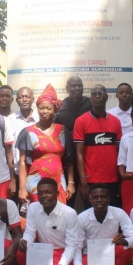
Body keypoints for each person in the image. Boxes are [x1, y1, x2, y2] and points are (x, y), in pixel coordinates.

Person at [15, 178, 81, 265]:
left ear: (57, 194)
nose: (44, 196)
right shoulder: (33, 208)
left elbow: (72, 245)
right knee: (21, 253)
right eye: (40, 193)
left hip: (62, 250)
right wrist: (25, 241)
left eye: (48, 192)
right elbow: (30, 232)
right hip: (42, 250)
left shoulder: (69, 213)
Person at [74, 184, 133, 265]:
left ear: (109, 198)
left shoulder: (119, 213)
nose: (99, 200)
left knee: (126, 249)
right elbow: (77, 246)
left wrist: (125, 240)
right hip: (91, 254)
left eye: (103, 197)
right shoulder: (81, 218)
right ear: (90, 199)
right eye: (95, 197)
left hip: (111, 253)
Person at [17, 84, 74, 204]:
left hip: (58, 180)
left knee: (59, 215)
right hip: (35, 182)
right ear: (37, 108)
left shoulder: (62, 131)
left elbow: (69, 160)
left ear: (55, 110)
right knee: (38, 215)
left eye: (48, 108)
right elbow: (22, 162)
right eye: (41, 108)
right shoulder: (28, 132)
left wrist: (71, 183)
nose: (44, 112)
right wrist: (22, 188)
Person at [74, 84, 123, 208]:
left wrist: (121, 180)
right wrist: (83, 182)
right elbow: (79, 153)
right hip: (91, 180)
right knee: (91, 219)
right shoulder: (81, 121)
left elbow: (120, 153)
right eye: (94, 94)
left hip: (113, 179)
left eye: (100, 94)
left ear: (106, 97)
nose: (97, 96)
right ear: (91, 98)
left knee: (112, 217)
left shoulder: (115, 121)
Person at [56, 76, 91, 208]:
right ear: (67, 89)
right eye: (73, 86)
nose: (77, 88)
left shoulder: (90, 104)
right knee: (68, 193)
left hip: (88, 157)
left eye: (79, 85)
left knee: (88, 194)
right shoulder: (61, 107)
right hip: (67, 158)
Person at [7, 87, 37, 200]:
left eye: (27, 97)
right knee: (17, 210)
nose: (24, 99)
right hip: (17, 173)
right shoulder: (9, 120)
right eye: (21, 97)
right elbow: (8, 150)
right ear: (16, 100)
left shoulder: (40, 119)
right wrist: (12, 179)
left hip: (36, 172)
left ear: (33, 99)